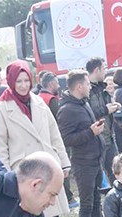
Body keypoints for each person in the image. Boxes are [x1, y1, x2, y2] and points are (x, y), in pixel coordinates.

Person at [0, 60, 73, 217]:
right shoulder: (2, 108)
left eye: (27, 80)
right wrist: (9, 178)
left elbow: (54, 134)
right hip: (25, 176)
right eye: (19, 81)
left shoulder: (38, 102)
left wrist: (63, 162)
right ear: (11, 81)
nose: (24, 85)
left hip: (48, 168)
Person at [58, 69, 113, 217]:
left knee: (97, 201)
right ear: (79, 86)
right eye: (88, 84)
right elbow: (66, 139)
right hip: (83, 164)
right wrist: (91, 133)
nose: (90, 87)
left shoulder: (83, 103)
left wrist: (95, 128)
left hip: (96, 160)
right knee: (87, 205)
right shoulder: (66, 110)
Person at [37, 71, 78, 208]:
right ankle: (68, 196)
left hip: (43, 139)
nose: (58, 86)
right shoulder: (51, 100)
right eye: (56, 82)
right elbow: (59, 120)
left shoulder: (38, 98)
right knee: (62, 167)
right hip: (55, 138)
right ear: (51, 84)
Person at [86, 57, 121, 187]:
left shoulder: (102, 88)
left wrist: (113, 105)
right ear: (97, 70)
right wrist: (105, 110)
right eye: (104, 68)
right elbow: (86, 115)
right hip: (96, 141)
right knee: (98, 178)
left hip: (109, 137)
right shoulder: (87, 90)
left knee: (116, 172)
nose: (105, 72)